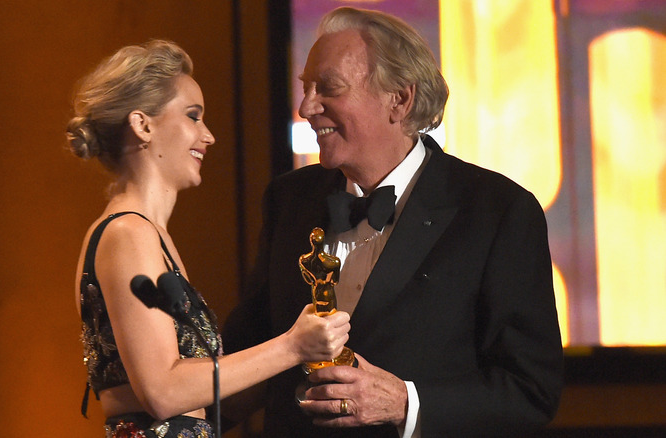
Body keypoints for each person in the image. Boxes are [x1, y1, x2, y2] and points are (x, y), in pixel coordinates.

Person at [223, 7, 563, 437]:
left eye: (328, 88)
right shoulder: (288, 198)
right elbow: (247, 354)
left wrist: (405, 402)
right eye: (306, 88)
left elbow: (531, 391)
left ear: (399, 99)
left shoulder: (497, 211)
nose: (307, 106)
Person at [66, 40, 351, 438]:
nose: (209, 136)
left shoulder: (147, 234)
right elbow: (163, 392)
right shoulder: (128, 233)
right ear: (143, 125)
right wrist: (292, 347)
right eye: (193, 116)